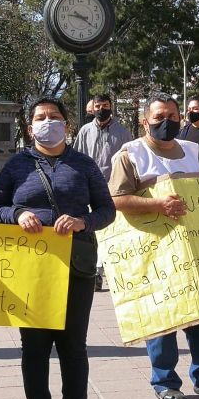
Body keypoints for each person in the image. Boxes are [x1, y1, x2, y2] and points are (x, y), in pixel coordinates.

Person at [107, 92, 199, 399]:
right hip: (155, 253)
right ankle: (165, 382)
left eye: (172, 116)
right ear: (145, 121)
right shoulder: (130, 154)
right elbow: (115, 201)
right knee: (162, 319)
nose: (166, 122)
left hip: (197, 248)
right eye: (159, 117)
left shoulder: (191, 150)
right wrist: (156, 203)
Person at [0, 96, 115, 399]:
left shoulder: (83, 164)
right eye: (41, 118)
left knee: (74, 348)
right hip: (30, 267)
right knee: (35, 349)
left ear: (67, 125)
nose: (48, 122)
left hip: (75, 266)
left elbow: (107, 210)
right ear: (30, 129)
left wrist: (82, 221)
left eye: (54, 116)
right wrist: (17, 214)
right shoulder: (17, 165)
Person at [72, 94, 133, 291]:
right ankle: (95, 270)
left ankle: (108, 271)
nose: (101, 109)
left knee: (111, 230)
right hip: (87, 188)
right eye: (98, 106)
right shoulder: (84, 131)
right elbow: (76, 157)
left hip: (113, 189)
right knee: (93, 230)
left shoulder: (122, 133)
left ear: (111, 107)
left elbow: (129, 161)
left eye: (105, 105)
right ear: (92, 108)